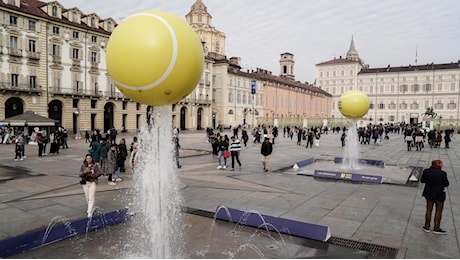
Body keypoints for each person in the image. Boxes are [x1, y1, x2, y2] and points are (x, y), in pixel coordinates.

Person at [421, 159, 449, 234]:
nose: (442, 165)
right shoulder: (442, 173)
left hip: (429, 193)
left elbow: (422, 180)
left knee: (428, 210)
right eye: (442, 163)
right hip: (439, 194)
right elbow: (446, 184)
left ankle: (427, 226)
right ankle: (436, 228)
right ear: (438, 164)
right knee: (438, 211)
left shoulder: (426, 171)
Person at [79, 153, 103, 218]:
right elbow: (80, 174)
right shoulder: (83, 166)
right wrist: (85, 172)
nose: (88, 159)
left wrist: (93, 174)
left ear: (92, 159)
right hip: (85, 182)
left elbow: (100, 172)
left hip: (92, 182)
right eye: (87, 158)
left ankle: (89, 212)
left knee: (91, 197)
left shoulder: (95, 165)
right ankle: (90, 208)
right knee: (87, 197)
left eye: (90, 158)